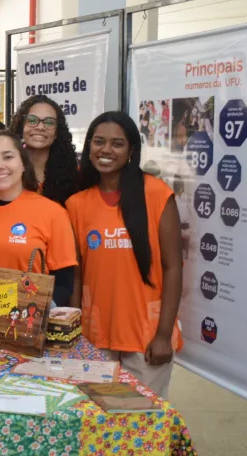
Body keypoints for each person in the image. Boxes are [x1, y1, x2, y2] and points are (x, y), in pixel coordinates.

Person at [67, 111, 182, 398]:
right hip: (94, 335)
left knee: (143, 425)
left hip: (146, 338)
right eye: (98, 142)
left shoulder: (156, 194)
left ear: (131, 150)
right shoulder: (76, 204)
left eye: (117, 144)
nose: (106, 150)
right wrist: (72, 333)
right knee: (98, 423)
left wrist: (164, 335)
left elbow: (173, 268)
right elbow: (77, 275)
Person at [0, 131, 78, 307]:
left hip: (25, 324)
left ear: (23, 164)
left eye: (7, 157)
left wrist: (17, 307)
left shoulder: (53, 213)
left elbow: (64, 284)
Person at [10, 95, 79, 206]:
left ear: (57, 132)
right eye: (32, 120)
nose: (40, 127)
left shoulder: (75, 178)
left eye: (49, 122)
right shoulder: (6, 173)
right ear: (21, 127)